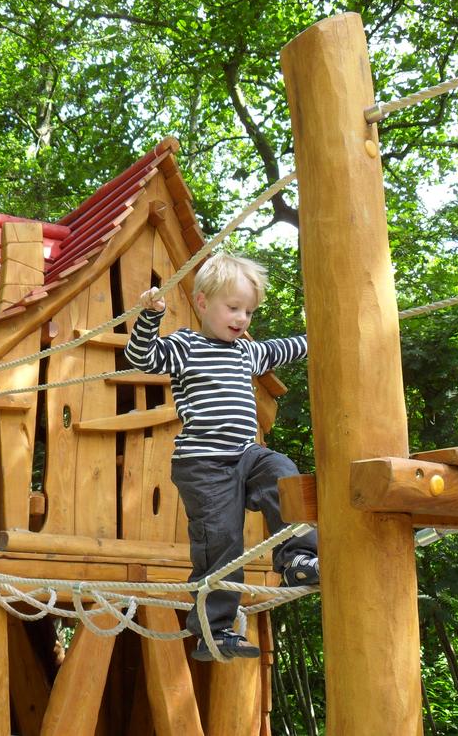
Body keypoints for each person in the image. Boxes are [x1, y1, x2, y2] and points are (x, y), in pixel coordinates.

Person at [124, 252, 319, 662]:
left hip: (246, 455)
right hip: (203, 465)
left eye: (248, 311)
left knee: (282, 472)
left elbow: (289, 348)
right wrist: (150, 316)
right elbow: (142, 357)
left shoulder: (246, 352)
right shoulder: (185, 345)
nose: (242, 318)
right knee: (222, 541)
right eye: (233, 308)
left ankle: (298, 557)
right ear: (202, 303)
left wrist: (327, 331)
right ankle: (214, 632)